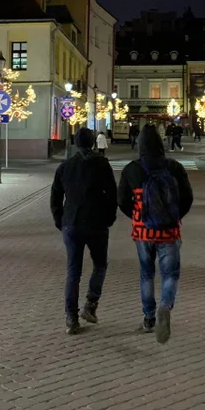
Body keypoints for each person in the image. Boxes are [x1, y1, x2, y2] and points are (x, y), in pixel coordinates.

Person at [118, 124, 193, 344]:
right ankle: (165, 306)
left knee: (146, 273)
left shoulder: (132, 169)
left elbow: (121, 200)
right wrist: (176, 217)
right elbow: (187, 198)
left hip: (143, 232)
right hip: (169, 230)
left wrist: (136, 216)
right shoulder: (174, 167)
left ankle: (149, 318)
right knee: (170, 274)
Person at [50, 127, 117, 335]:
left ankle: (71, 318)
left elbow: (55, 197)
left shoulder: (65, 166)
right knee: (100, 265)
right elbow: (112, 194)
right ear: (93, 143)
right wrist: (109, 218)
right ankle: (90, 304)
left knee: (73, 272)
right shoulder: (101, 164)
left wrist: (61, 221)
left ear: (76, 143)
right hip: (96, 223)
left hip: (72, 223)